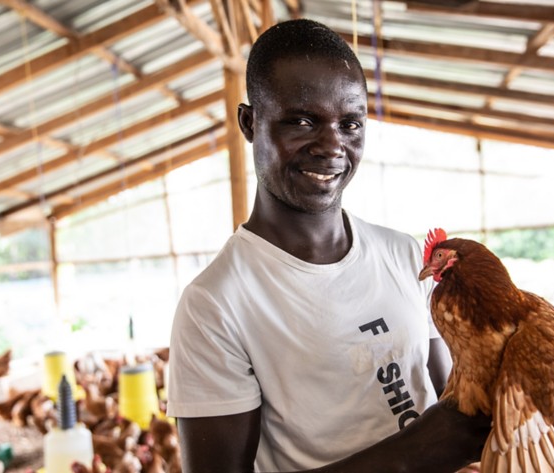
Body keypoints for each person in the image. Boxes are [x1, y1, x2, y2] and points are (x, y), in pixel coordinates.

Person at [166, 19, 490, 472]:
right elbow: (446, 433)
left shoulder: (402, 255)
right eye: (302, 121)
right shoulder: (216, 305)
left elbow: (454, 406)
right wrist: (421, 450)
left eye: (350, 123)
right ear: (249, 122)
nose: (333, 145)